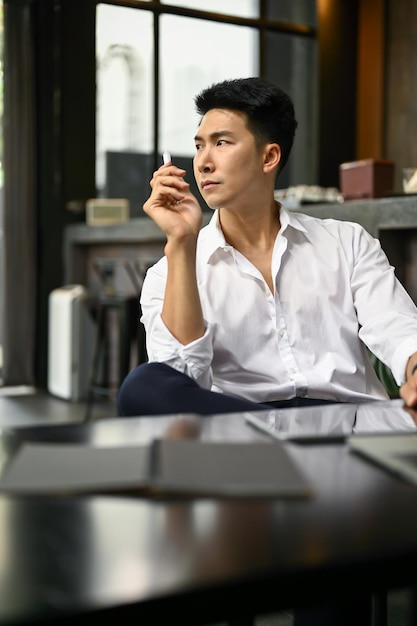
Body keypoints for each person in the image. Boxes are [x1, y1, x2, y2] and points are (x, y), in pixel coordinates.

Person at [118, 76, 417, 417]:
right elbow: (182, 380)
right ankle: (278, 443)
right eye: (199, 145)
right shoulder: (170, 271)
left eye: (222, 143)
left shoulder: (347, 242)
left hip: (349, 425)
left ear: (269, 156)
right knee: (144, 385)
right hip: (244, 431)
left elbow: (397, 327)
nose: (202, 162)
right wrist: (182, 241)